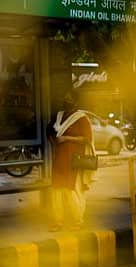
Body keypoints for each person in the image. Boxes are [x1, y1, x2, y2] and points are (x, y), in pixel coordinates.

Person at [47, 89, 95, 231]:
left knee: (73, 190)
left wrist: (67, 138)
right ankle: (58, 222)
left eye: (69, 98)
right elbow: (49, 131)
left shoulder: (82, 118)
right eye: (65, 98)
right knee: (57, 190)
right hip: (59, 158)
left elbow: (87, 139)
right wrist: (54, 142)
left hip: (74, 159)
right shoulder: (58, 116)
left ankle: (77, 221)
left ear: (76, 101)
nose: (66, 100)